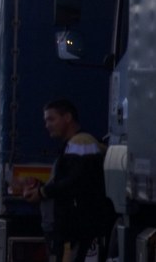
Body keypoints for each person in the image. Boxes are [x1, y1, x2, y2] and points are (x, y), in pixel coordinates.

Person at [23, 99, 115, 261]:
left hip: (76, 230)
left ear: (67, 117)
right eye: (46, 120)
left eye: (51, 119)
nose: (47, 125)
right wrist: (41, 187)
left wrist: (42, 192)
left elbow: (75, 182)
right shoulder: (73, 144)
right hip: (70, 231)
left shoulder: (81, 143)